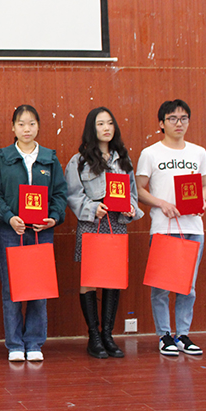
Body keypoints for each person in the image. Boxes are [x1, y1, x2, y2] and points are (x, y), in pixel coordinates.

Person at [65, 107, 142, 359]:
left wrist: (131, 207)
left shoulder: (123, 159)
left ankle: (108, 335)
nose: (106, 128)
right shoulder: (79, 161)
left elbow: (132, 192)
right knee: (89, 279)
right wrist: (92, 208)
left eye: (110, 123)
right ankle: (94, 336)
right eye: (100, 124)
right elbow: (73, 195)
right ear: (92, 128)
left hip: (117, 223)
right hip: (92, 223)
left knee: (112, 279)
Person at [0, 104, 67, 363]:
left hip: (41, 232)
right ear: (13, 127)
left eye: (32, 123)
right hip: (11, 232)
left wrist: (53, 218)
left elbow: (60, 194)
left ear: (38, 127)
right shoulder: (3, 157)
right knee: (12, 289)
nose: (27, 129)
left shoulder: (49, 158)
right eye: (21, 124)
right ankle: (14, 344)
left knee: (38, 288)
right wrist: (9, 217)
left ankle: (34, 342)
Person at [136, 99, 206, 356]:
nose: (179, 123)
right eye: (173, 119)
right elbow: (139, 189)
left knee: (188, 286)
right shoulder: (150, 153)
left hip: (193, 227)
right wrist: (162, 203)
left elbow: (205, 186)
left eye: (183, 118)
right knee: (162, 286)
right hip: (164, 227)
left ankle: (183, 335)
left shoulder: (198, 152)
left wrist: (202, 201)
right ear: (161, 123)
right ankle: (164, 335)